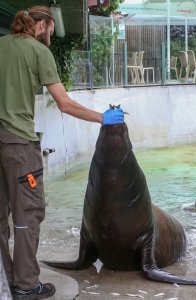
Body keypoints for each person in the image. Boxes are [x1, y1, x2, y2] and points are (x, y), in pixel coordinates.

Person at [0, 6, 124, 299]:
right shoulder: (38, 51)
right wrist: (101, 118)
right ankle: (27, 286)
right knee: (27, 216)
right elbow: (64, 104)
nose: (51, 37)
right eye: (51, 31)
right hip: (18, 146)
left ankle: (6, 281)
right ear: (41, 25)